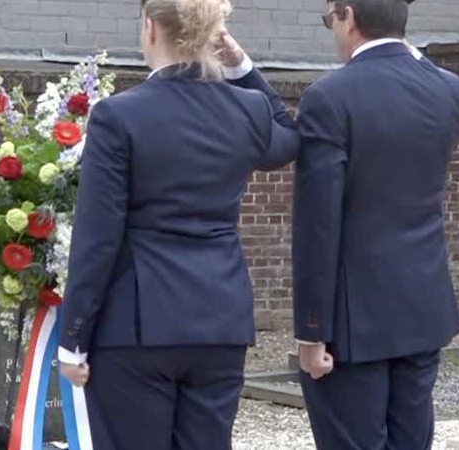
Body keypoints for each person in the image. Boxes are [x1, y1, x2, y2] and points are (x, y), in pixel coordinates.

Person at [219, 0, 459, 449]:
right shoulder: (449, 91)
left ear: (349, 16)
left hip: (351, 321)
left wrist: (311, 332)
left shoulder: (331, 97)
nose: (332, 30)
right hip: (423, 310)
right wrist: (243, 67)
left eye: (329, 20)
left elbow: (318, 226)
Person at [55, 0, 301, 448]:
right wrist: (243, 68)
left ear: (151, 28)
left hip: (137, 322)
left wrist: (73, 338)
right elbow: (288, 139)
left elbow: (98, 238)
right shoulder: (248, 109)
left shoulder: (118, 115)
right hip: (220, 318)